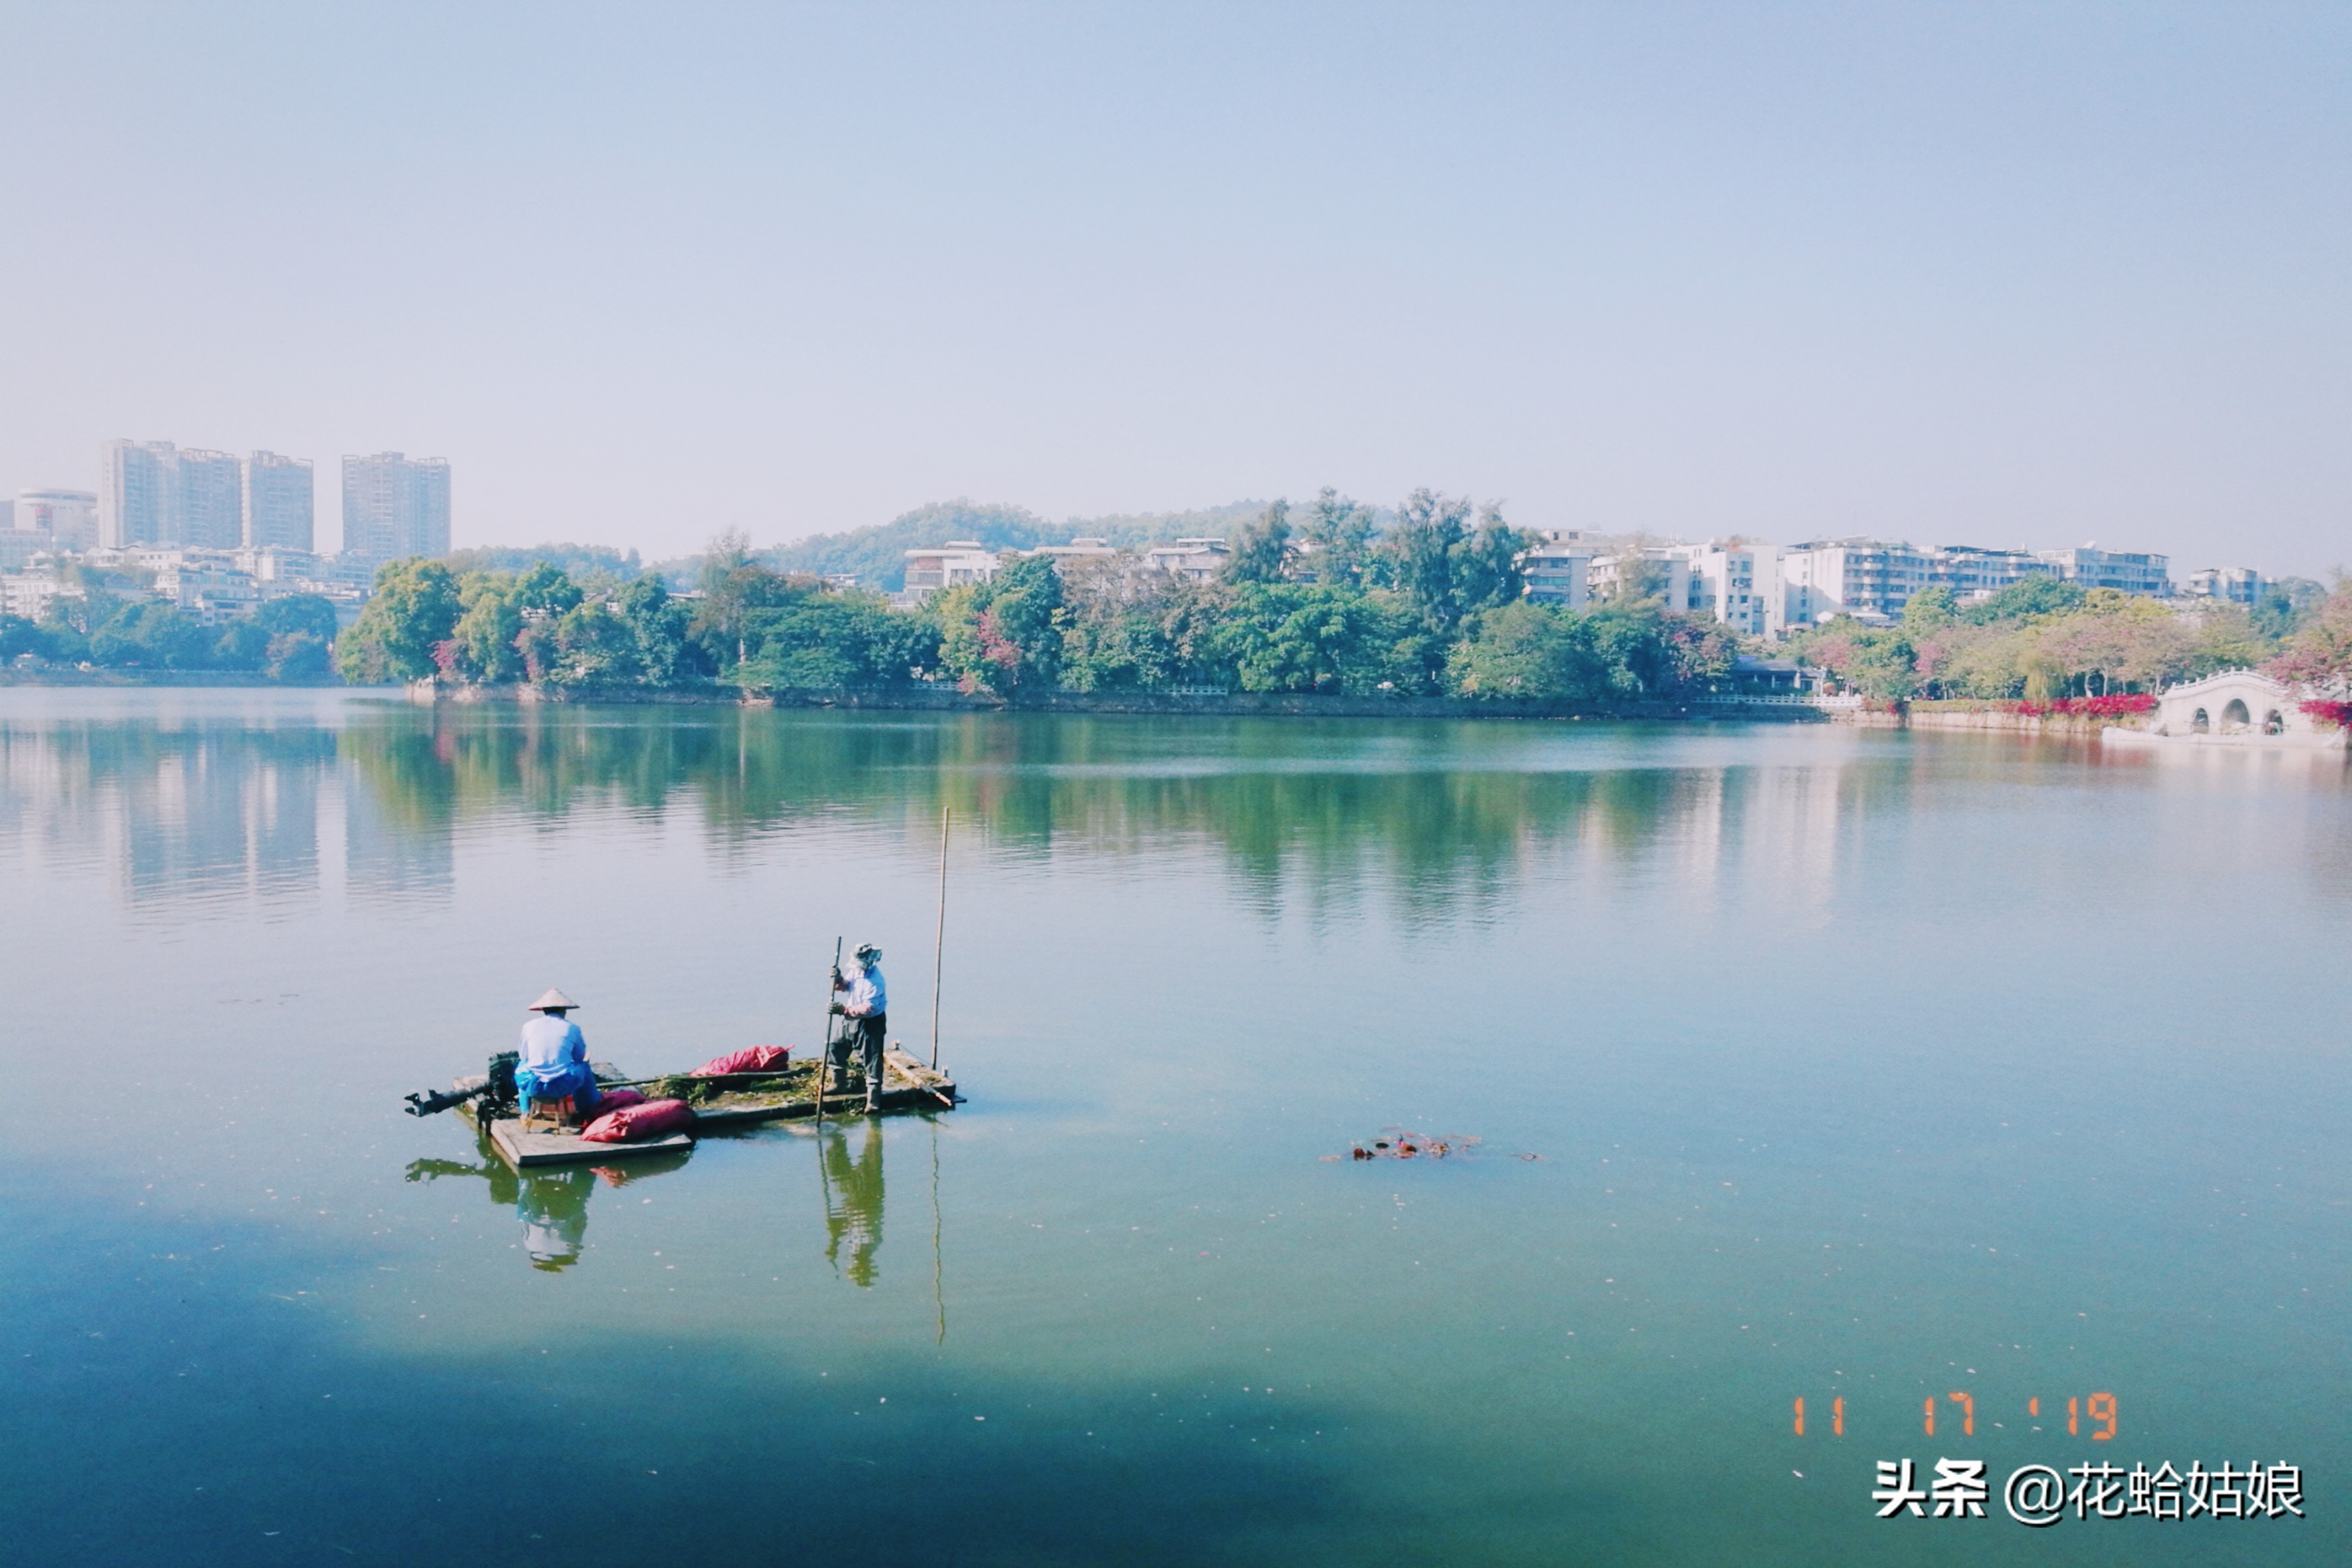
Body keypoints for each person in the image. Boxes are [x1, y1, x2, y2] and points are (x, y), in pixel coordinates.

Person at [515, 988, 602, 1122]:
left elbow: (523, 1056)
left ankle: (525, 1112)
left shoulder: (528, 1026)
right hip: (562, 1085)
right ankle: (585, 1109)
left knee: (521, 1067)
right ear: (564, 1011)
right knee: (583, 1067)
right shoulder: (572, 1028)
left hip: (533, 1085)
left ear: (544, 1010)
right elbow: (579, 1057)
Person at [828, 943, 889, 1111]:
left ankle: (874, 1100)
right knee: (836, 1046)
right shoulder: (856, 972)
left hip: (870, 1023)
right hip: (851, 1019)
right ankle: (839, 1083)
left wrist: (844, 1010)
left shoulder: (875, 981)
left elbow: (869, 1009)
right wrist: (838, 979)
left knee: (872, 1059)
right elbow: (847, 986)